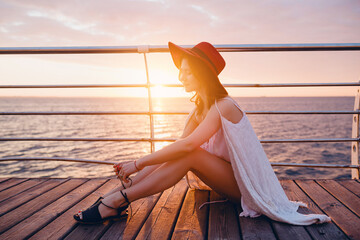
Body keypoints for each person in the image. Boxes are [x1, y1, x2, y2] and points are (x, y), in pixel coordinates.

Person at [74, 42, 331, 225]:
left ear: (202, 73)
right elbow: (176, 149)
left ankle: (117, 201)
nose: (180, 76)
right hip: (229, 181)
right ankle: (118, 199)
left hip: (248, 189)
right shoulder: (200, 109)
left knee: (191, 154)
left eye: (186, 71)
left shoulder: (225, 106)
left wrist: (137, 163)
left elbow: (187, 148)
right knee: (183, 152)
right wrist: (137, 174)